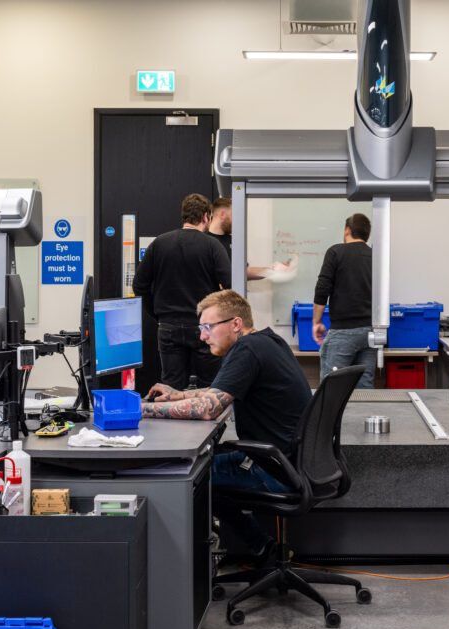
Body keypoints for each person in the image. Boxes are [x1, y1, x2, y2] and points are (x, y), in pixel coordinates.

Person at [141, 289, 313, 560]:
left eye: (208, 327)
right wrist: (178, 395)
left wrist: (142, 410)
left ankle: (196, 566)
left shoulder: (247, 350)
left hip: (273, 469)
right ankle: (261, 548)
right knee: (206, 465)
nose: (202, 336)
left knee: (188, 476)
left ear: (235, 324)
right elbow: (221, 390)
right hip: (289, 463)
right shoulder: (266, 341)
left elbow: (207, 409)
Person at [132, 193, 231, 390]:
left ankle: (172, 420)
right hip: (205, 327)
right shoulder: (213, 246)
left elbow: (139, 286)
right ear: (205, 217)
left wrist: (157, 314)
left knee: (171, 388)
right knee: (209, 387)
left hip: (168, 327)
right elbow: (230, 286)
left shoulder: (159, 243)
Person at [312, 213, 376, 388]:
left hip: (344, 331)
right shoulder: (376, 257)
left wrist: (316, 322)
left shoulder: (336, 252)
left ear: (347, 230)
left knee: (332, 389)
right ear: (366, 234)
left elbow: (322, 289)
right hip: (371, 332)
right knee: (364, 388)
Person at [207, 197, 297, 282]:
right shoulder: (205, 242)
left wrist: (273, 269)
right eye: (234, 215)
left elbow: (244, 272)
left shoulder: (234, 241)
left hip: (229, 297)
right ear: (222, 215)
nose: (237, 221)